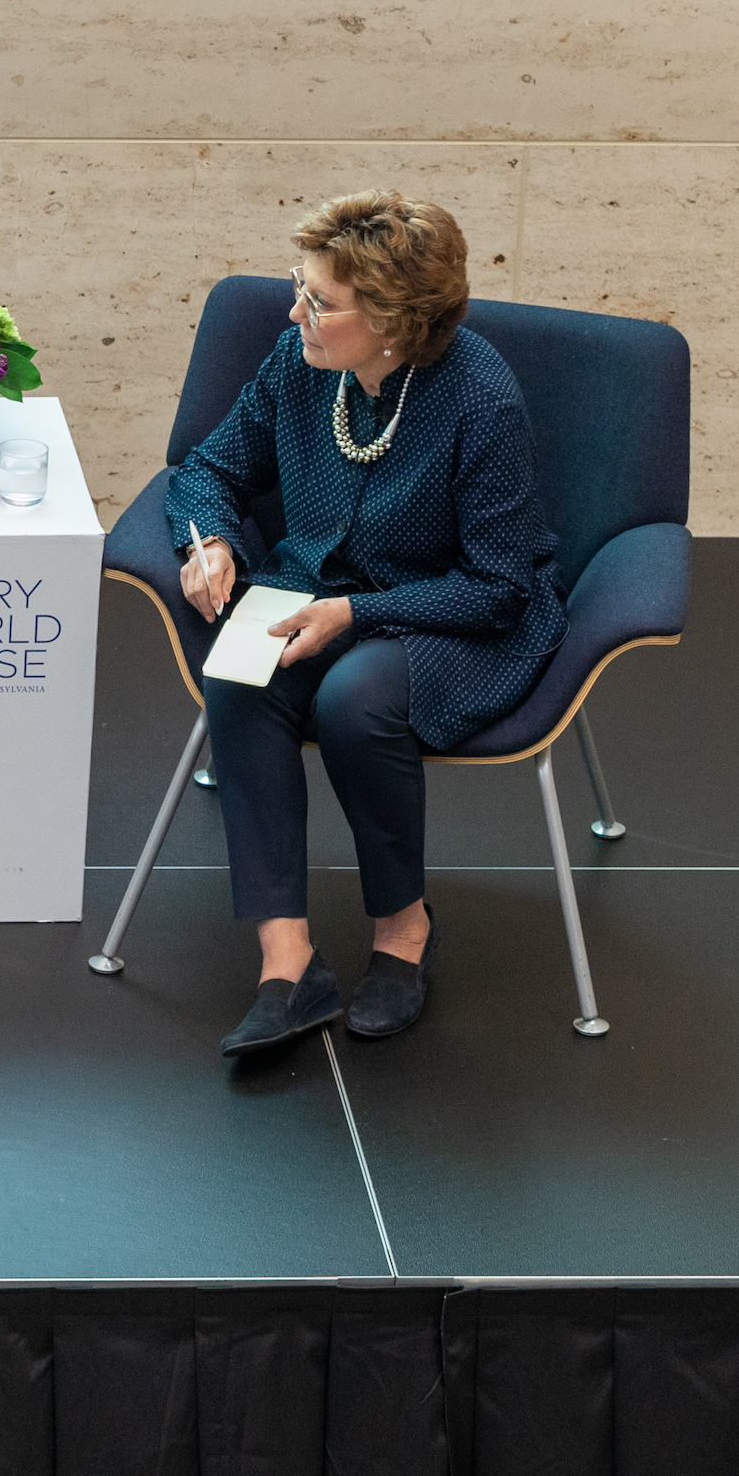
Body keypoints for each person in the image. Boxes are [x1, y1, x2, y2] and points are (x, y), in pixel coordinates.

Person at [168, 192, 563, 1057]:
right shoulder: (296, 360)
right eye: (299, 287)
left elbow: (495, 586)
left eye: (318, 300)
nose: (294, 310)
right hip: (319, 587)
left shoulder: (477, 399)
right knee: (240, 676)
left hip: (448, 616)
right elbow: (207, 467)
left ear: (392, 321)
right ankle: (288, 963)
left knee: (353, 700)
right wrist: (212, 541)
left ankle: (402, 929)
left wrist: (358, 612)